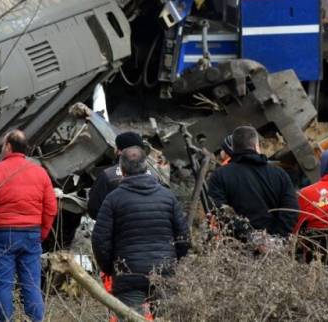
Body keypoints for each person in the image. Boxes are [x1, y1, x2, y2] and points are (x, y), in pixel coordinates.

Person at [91, 146, 190, 317]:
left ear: (121, 170)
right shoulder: (167, 196)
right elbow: (183, 236)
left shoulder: (113, 199)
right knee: (167, 318)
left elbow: (99, 240)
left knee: (130, 318)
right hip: (163, 271)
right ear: (146, 167)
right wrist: (174, 262)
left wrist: (110, 268)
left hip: (128, 274)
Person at [0, 130, 57, 322]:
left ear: (8, 147)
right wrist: (41, 234)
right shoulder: (40, 172)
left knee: (3, 284)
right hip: (31, 235)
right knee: (31, 284)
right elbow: (51, 208)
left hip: (3, 235)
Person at [206, 126, 299, 239]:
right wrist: (276, 237)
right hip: (276, 247)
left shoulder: (219, 176)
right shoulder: (279, 174)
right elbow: (291, 209)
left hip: (238, 248)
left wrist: (250, 237)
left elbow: (220, 212)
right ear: (256, 146)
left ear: (234, 148)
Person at [87, 131, 145, 220]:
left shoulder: (107, 176)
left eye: (116, 146)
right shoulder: (154, 176)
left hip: (119, 230)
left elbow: (94, 209)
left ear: (119, 151)